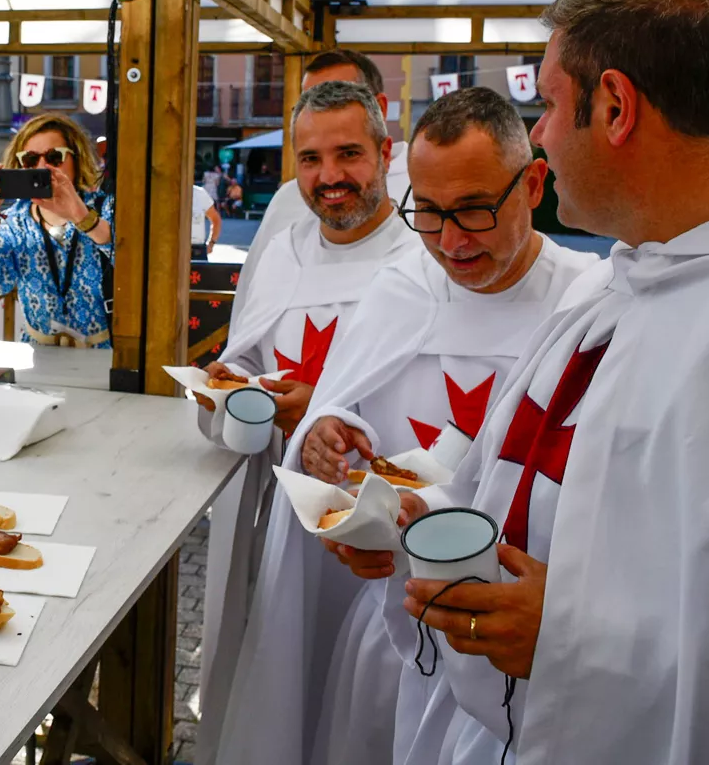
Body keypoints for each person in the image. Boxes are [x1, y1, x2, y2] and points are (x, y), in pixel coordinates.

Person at [341, 0, 709, 765]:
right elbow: (541, 501)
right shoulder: (616, 286)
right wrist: (417, 529)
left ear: (614, 106)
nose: (537, 134)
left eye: (547, 104)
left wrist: (574, 642)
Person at [214, 88, 600, 765]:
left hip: (516, 636)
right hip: (394, 621)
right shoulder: (403, 287)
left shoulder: (588, 304)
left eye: (475, 211)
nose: (450, 242)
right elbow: (345, 411)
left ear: (533, 183)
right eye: (428, 212)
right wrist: (329, 439)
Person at [196, 80, 418, 763]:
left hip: (371, 528)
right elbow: (243, 367)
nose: (329, 178)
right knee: (276, 678)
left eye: (348, 154)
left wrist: (323, 407)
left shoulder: (423, 263)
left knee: (350, 703)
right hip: (277, 518)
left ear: (385, 154)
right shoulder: (284, 253)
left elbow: (428, 403)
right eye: (310, 160)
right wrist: (233, 399)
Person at [231, 50, 412, 321]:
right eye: (310, 100)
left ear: (380, 109)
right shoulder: (289, 199)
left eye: (340, 96)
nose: (329, 176)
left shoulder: (430, 190)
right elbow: (252, 308)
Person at [0, 112, 113, 347]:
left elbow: (132, 262)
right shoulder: (15, 221)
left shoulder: (106, 208)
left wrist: (80, 215)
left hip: (103, 353)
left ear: (77, 159)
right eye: (31, 159)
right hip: (38, 355)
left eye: (55, 156)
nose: (43, 166)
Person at [191, 183, 222, 261]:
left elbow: (216, 220)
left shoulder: (200, 193)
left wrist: (211, 243)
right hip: (171, 249)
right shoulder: (165, 193)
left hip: (197, 249)